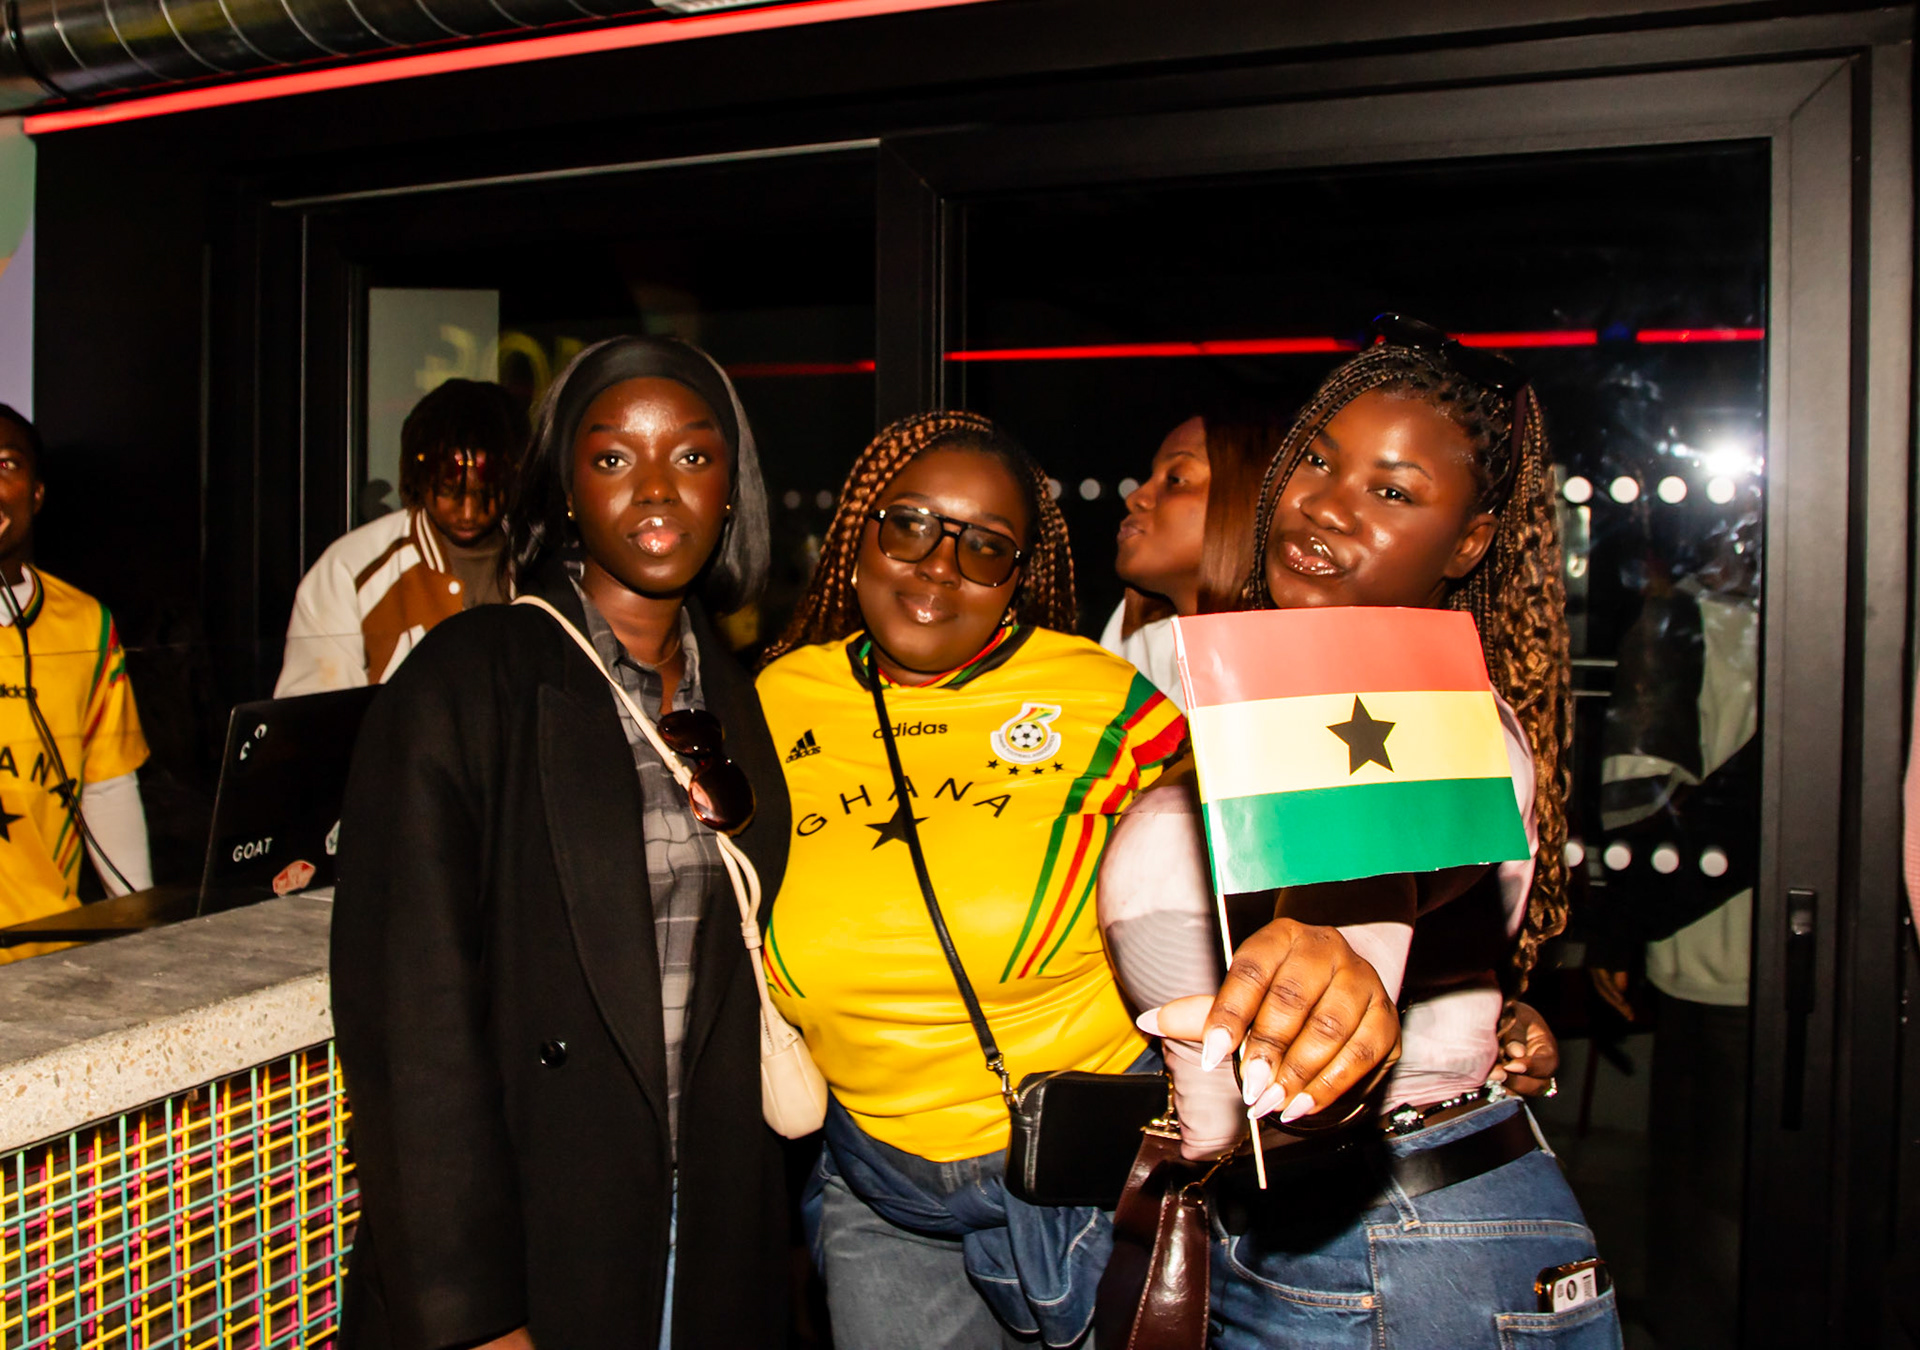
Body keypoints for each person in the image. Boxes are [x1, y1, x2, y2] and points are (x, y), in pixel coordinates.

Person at [754, 410, 1401, 1350]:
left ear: (1019, 577)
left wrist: (1450, 991)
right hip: (875, 1192)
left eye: (985, 547)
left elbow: (1258, 868)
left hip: (1079, 1180)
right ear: (860, 540)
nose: (939, 566)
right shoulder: (774, 701)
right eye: (911, 526)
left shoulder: (1104, 698)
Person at [1106, 317, 1618, 1346]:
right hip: (1334, 1232)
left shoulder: (1420, 723)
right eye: (1317, 461)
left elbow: (1356, 896)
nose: (1326, 503)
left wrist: (1329, 971)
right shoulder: (1278, 699)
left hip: (1397, 1247)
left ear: (1469, 542)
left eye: (1392, 492)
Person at [330, 337, 790, 1349]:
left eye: (693, 456)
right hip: (539, 1227)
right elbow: (411, 1022)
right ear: (568, 492)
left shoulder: (742, 698)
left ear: (731, 491)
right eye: (614, 457)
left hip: (712, 1221)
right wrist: (476, 1313)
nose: (657, 488)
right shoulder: (467, 680)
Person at [0, 404, 153, 956]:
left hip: (46, 953)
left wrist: (143, 933)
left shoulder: (87, 623)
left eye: (7, 465)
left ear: (37, 493)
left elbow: (107, 787)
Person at [276, 378, 521, 695]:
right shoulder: (349, 569)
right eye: (449, 491)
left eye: (484, 494)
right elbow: (313, 711)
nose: (468, 512)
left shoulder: (538, 561)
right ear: (418, 476)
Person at [1101, 413, 1276, 706]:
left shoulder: (1288, 674)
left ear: (1250, 498)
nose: (1136, 498)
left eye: (1175, 480)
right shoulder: (1137, 646)